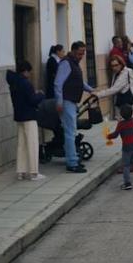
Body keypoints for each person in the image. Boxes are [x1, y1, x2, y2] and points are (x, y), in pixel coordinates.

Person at [54, 41, 93, 173]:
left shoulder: (74, 63)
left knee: (72, 131)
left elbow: (79, 82)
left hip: (72, 101)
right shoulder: (66, 63)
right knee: (70, 132)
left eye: (83, 53)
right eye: (80, 53)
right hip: (66, 101)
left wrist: (91, 90)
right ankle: (72, 162)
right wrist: (59, 102)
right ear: (73, 51)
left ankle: (73, 158)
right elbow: (58, 84)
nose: (81, 56)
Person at [6, 60, 45, 181]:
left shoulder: (14, 82)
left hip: (19, 116)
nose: (30, 74)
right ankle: (34, 172)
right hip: (29, 116)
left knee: (21, 145)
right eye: (29, 72)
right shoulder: (25, 83)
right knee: (32, 144)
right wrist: (40, 95)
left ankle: (20, 171)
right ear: (25, 71)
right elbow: (32, 100)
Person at [107, 104, 133, 191]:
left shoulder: (120, 124)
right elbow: (126, 122)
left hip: (126, 148)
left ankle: (128, 183)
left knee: (126, 166)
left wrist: (108, 136)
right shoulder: (132, 122)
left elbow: (115, 135)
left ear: (121, 114)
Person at [93, 54, 133, 121]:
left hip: (127, 103)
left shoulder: (125, 73)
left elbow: (114, 89)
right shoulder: (116, 74)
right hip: (120, 102)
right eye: (112, 66)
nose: (114, 68)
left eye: (116, 65)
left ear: (121, 64)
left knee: (126, 123)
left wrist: (98, 94)